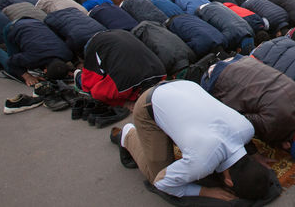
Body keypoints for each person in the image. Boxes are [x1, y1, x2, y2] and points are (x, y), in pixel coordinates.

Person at [116, 80, 274, 200]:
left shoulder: (247, 129)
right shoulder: (202, 163)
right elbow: (161, 182)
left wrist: (255, 155)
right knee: (155, 174)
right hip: (147, 106)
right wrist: (205, 192)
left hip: (182, 85)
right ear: (228, 182)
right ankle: (128, 135)